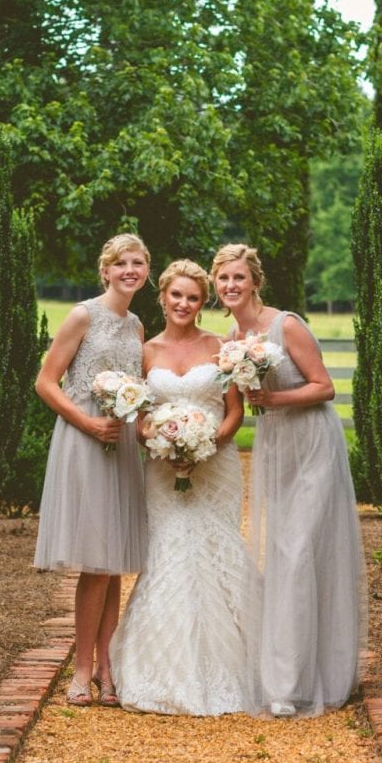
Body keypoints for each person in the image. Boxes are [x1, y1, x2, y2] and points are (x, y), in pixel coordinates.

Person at [212, 243, 364, 718]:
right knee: (280, 553)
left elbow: (326, 387)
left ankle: (295, 682)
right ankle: (286, 672)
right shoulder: (231, 336)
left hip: (312, 443)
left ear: (255, 281)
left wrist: (273, 401)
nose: (231, 286)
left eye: (238, 278)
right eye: (223, 280)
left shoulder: (287, 325)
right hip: (276, 446)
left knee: (300, 552)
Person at [108, 259, 261, 715]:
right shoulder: (145, 351)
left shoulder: (221, 346)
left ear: (203, 302)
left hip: (216, 466)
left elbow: (235, 411)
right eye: (176, 295)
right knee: (170, 552)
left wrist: (207, 443)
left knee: (216, 549)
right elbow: (132, 409)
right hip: (160, 466)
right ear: (163, 297)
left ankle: (240, 665)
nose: (184, 304)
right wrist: (159, 443)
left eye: (193, 297)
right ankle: (162, 668)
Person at [34, 234, 151, 706]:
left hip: (121, 443)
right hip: (84, 438)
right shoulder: (83, 315)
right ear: (104, 271)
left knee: (115, 559)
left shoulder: (138, 325)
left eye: (138, 263)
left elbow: (138, 394)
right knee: (96, 561)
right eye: (120, 263)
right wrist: (85, 422)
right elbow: (45, 381)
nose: (129, 270)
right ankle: (81, 670)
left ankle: (107, 664)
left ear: (147, 271)